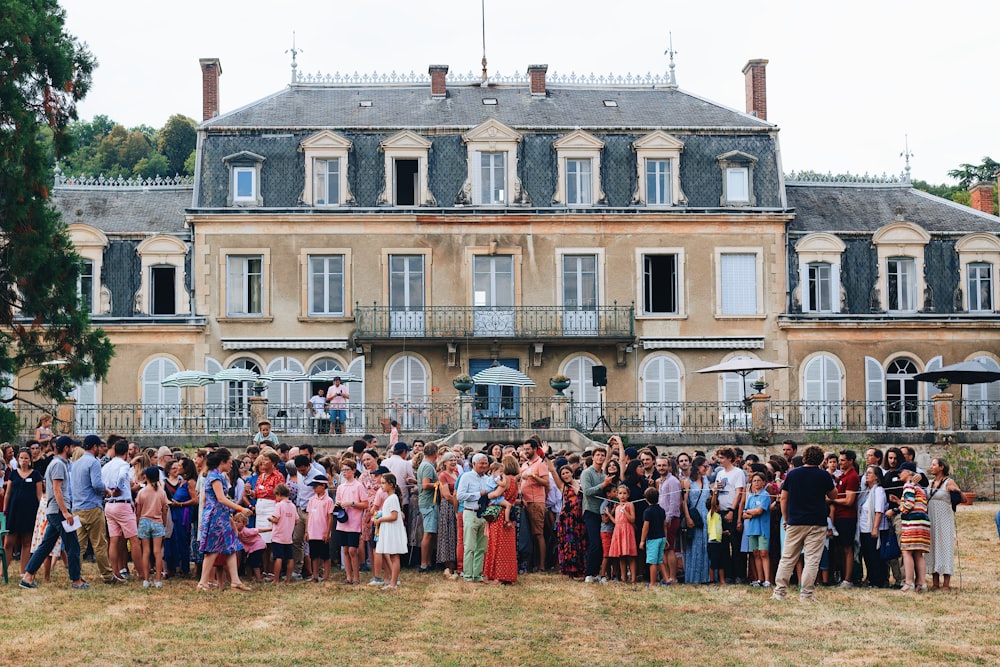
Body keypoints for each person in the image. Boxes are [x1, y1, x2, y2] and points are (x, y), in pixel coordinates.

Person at [772, 445, 837, 603]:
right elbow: (833, 495)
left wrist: (786, 519)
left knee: (788, 557)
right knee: (812, 559)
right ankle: (806, 595)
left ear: (805, 457)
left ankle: (779, 592)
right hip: (817, 522)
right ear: (821, 459)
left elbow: (784, 498)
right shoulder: (823, 475)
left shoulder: (793, 474)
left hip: (795, 521)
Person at [20, 436, 87, 590]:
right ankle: (76, 581)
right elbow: (57, 490)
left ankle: (28, 576)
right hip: (58, 511)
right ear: (66, 448)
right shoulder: (58, 465)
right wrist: (65, 512)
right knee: (73, 545)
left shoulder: (59, 463)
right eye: (72, 447)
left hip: (56, 511)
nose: (73, 450)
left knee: (46, 546)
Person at [197, 448, 253, 592]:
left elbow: (204, 499)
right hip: (217, 517)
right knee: (213, 550)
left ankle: (235, 580)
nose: (231, 466)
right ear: (222, 462)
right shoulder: (216, 477)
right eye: (229, 462)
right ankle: (203, 582)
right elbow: (221, 498)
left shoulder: (215, 476)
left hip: (220, 515)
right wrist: (240, 509)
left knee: (231, 547)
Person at [71, 433, 113, 584]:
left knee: (79, 545)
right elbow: (96, 484)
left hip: (77, 508)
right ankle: (107, 575)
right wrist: (106, 490)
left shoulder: (75, 463)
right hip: (92, 507)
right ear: (95, 447)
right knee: (99, 543)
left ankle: (76, 574)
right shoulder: (94, 462)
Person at [889, 461, 930, 593]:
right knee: (918, 554)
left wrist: (897, 509)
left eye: (901, 471)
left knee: (906, 552)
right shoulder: (919, 488)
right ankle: (922, 584)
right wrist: (899, 501)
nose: (899, 474)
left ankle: (909, 582)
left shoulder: (908, 486)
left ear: (908, 472)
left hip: (911, 523)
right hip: (922, 524)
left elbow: (909, 504)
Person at [3, 447, 43, 577]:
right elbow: (8, 493)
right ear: (18, 459)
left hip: (29, 512)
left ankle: (23, 571)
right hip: (14, 512)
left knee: (27, 543)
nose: (23, 461)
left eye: (26, 458)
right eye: (21, 458)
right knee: (8, 543)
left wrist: (41, 510)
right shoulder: (13, 474)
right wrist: (5, 509)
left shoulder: (35, 474)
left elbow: (39, 495)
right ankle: (2, 571)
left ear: (30, 460)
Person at [456, 453, 491, 582]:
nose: (484, 466)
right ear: (474, 464)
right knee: (469, 546)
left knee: (481, 547)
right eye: (481, 463)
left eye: (485, 463)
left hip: (484, 514)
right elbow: (460, 496)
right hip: (470, 512)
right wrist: (478, 494)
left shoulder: (487, 478)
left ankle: (477, 574)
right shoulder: (466, 477)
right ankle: (467, 575)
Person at [714, 447, 746, 583]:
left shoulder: (738, 473)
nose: (719, 460)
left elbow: (739, 492)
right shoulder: (720, 473)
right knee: (724, 546)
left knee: (736, 544)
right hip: (720, 510)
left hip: (731, 510)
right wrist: (715, 491)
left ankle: (739, 574)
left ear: (729, 458)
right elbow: (716, 490)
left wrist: (732, 510)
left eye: (722, 457)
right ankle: (728, 574)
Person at [135, 466, 169, 588]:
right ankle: (158, 580)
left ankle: (146, 579)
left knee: (146, 552)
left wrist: (137, 522)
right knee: (157, 552)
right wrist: (164, 524)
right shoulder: (161, 492)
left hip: (144, 521)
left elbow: (138, 511)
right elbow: (164, 510)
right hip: (157, 521)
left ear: (146, 477)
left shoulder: (142, 492)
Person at [334, 460, 367, 585]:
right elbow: (338, 501)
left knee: (353, 550)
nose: (345, 473)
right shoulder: (341, 487)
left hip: (354, 522)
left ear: (353, 470)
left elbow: (365, 503)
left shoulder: (358, 486)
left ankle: (356, 577)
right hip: (343, 522)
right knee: (345, 550)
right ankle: (348, 576)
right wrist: (339, 504)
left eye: (347, 470)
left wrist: (352, 503)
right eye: (343, 470)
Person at [581, 445, 610, 582]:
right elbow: (587, 491)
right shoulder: (587, 473)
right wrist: (603, 486)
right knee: (594, 542)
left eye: (602, 455)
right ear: (593, 457)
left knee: (602, 543)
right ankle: (589, 573)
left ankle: (597, 572)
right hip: (590, 511)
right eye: (597, 455)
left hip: (602, 512)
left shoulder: (604, 475)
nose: (600, 457)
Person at [520, 440, 548, 573]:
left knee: (538, 533)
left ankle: (541, 565)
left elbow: (546, 483)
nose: (526, 451)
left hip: (536, 501)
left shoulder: (541, 464)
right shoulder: (524, 464)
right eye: (524, 449)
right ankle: (529, 564)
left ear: (535, 449)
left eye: (528, 449)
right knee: (527, 534)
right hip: (524, 502)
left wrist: (533, 476)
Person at [374, 472, 407, 590]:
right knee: (392, 556)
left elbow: (394, 516)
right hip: (389, 528)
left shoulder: (393, 498)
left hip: (392, 529)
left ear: (391, 484)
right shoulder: (390, 498)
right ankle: (393, 582)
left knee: (394, 556)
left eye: (383, 483)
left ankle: (393, 583)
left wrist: (380, 519)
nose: (381, 486)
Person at [858, 465, 888, 588]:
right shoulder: (866, 491)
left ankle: (878, 581)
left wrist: (875, 528)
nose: (867, 475)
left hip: (875, 528)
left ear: (876, 476)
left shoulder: (878, 490)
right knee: (867, 555)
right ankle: (870, 578)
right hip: (864, 527)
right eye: (866, 473)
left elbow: (879, 510)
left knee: (875, 556)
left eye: (870, 473)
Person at [682, 456, 711, 584]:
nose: (706, 468)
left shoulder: (706, 480)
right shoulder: (688, 482)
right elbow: (684, 501)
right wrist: (687, 517)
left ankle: (706, 576)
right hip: (694, 515)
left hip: (706, 515)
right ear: (698, 467)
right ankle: (694, 576)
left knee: (706, 545)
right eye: (704, 466)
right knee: (694, 545)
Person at [553, 463, 585, 579]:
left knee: (580, 542)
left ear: (572, 473)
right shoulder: (563, 486)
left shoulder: (580, 483)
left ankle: (581, 569)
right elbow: (552, 470)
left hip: (579, 518)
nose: (565, 475)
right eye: (563, 474)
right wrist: (544, 455)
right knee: (569, 543)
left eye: (567, 472)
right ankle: (570, 570)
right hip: (567, 518)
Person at [742, 471, 771, 588]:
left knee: (764, 553)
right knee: (755, 553)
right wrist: (751, 512)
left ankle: (767, 580)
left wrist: (750, 512)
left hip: (763, 528)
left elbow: (760, 511)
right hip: (752, 529)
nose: (756, 483)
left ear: (764, 482)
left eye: (759, 480)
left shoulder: (765, 495)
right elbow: (744, 514)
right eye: (754, 481)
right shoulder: (751, 497)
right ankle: (760, 578)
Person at [656, 456, 681, 584]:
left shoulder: (673, 481)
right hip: (662, 518)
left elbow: (675, 502)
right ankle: (666, 577)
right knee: (664, 548)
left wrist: (668, 518)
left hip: (670, 518)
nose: (661, 468)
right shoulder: (661, 481)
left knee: (669, 548)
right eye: (659, 465)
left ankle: (673, 577)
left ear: (669, 467)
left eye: (664, 465)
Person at [306, 475, 334, 583]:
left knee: (325, 556)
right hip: (312, 532)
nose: (313, 489)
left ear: (323, 486)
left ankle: (326, 576)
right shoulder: (312, 500)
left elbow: (330, 517)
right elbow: (309, 516)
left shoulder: (328, 501)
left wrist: (327, 532)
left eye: (315, 486)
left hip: (322, 532)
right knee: (314, 555)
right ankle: (315, 576)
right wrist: (306, 531)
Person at [435, 452, 460, 575]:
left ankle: (457, 562)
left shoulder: (457, 473)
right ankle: (448, 564)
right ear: (444, 462)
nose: (453, 462)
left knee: (456, 534)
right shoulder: (442, 476)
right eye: (451, 460)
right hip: (448, 507)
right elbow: (446, 495)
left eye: (455, 459)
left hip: (457, 504)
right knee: (448, 533)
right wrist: (457, 504)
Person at [268, 483, 298, 584]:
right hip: (288, 537)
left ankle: (276, 579)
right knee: (290, 558)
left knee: (278, 557)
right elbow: (296, 521)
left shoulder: (279, 505)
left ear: (279, 494)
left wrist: (270, 518)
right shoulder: (293, 506)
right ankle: (288, 579)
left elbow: (276, 519)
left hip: (278, 536)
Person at [416, 442, 439, 572]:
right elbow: (425, 485)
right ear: (435, 453)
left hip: (427, 502)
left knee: (430, 533)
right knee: (428, 533)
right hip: (429, 502)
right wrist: (437, 484)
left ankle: (428, 562)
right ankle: (424, 563)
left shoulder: (425, 465)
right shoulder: (428, 466)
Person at [639, 486, 669, 586]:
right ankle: (666, 579)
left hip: (653, 540)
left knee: (652, 562)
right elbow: (665, 525)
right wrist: (666, 538)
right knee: (660, 560)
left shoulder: (647, 511)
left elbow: (645, 527)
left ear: (646, 499)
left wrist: (642, 541)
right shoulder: (662, 510)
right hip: (662, 538)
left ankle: (652, 583)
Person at [609, 484, 637, 583]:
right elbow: (616, 521)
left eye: (624, 493)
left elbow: (632, 519)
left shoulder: (630, 505)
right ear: (617, 495)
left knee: (630, 556)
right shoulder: (616, 507)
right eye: (620, 493)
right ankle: (623, 578)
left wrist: (625, 511)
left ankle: (633, 578)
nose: (622, 496)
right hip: (618, 531)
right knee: (621, 556)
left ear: (628, 495)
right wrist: (609, 514)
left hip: (627, 530)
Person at [233, 511, 267, 582]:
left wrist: (271, 529)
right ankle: (249, 578)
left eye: (238, 522)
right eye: (235, 521)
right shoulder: (238, 532)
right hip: (252, 548)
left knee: (255, 563)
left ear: (244, 524)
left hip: (258, 546)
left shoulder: (247, 531)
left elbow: (258, 530)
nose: (236, 523)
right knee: (248, 564)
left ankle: (258, 579)